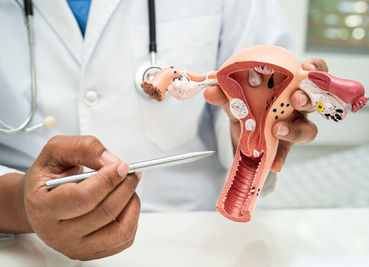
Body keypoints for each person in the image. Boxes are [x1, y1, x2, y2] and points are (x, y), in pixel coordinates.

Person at [0, 0, 326, 260]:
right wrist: (17, 205)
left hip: (192, 241)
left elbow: (260, 71)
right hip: (21, 246)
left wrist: (261, 123)